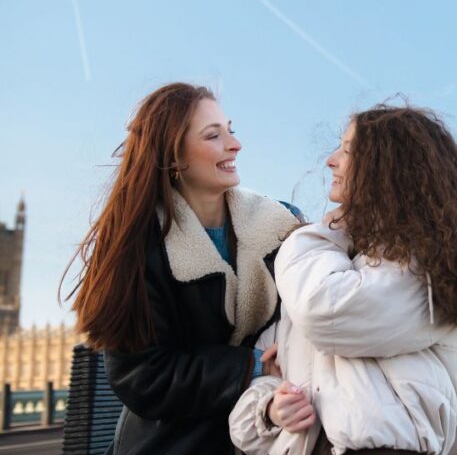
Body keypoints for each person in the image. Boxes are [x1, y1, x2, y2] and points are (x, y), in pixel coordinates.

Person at [230, 103, 457, 454]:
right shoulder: (334, 266)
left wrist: (316, 232)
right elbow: (245, 418)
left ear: (387, 168)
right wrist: (270, 410)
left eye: (347, 150)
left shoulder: (425, 269)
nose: (331, 160)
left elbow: (324, 310)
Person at [61, 83, 300, 454]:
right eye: (213, 135)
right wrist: (251, 367)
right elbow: (143, 376)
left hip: (272, 431)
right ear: (174, 157)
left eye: (231, 130)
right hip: (175, 443)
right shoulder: (139, 248)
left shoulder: (283, 225)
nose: (235, 145)